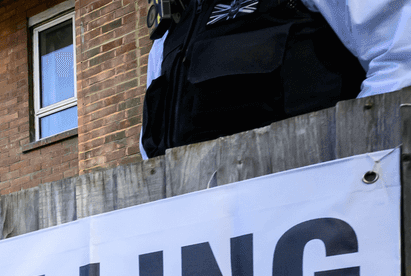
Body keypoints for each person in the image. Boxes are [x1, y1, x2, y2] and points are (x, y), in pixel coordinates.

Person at [141, 0, 411, 158]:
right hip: (204, 235)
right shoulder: (168, 30)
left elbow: (400, 64)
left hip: (320, 222)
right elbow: (150, 151)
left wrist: (350, 176)